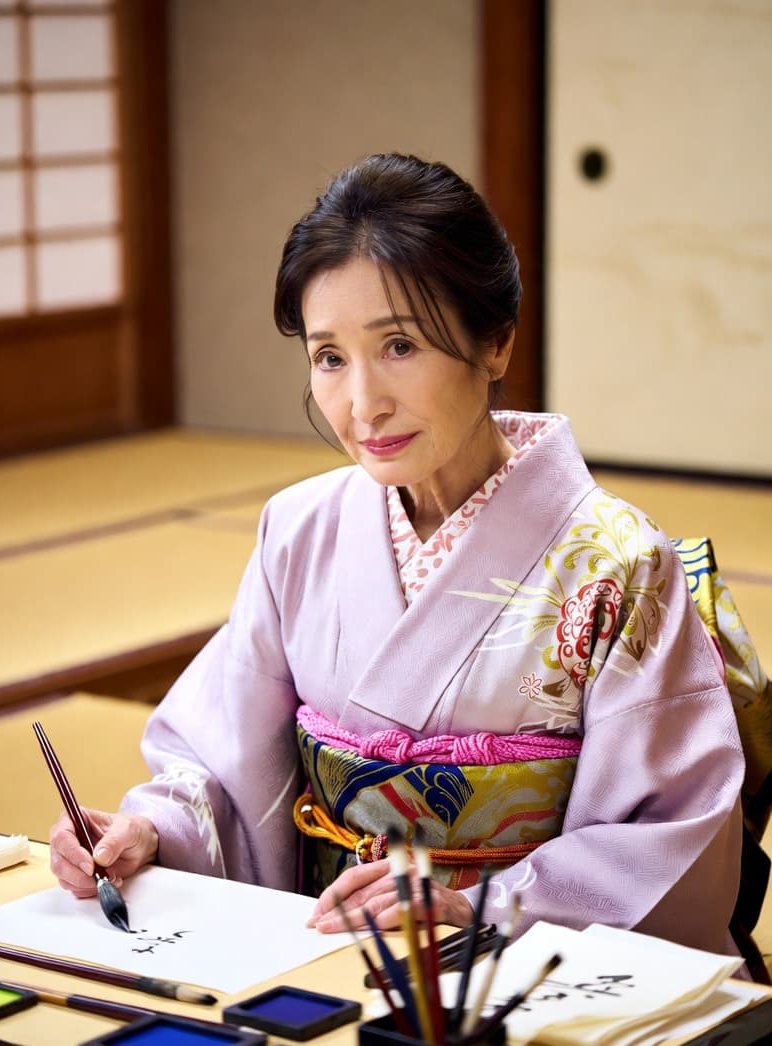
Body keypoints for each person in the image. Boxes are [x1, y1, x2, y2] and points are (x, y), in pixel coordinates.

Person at [49, 152, 744, 957]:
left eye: (401, 346)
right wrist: (148, 829)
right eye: (329, 358)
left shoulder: (618, 565)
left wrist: (476, 903)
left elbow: (666, 836)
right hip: (322, 950)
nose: (362, 403)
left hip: (513, 970)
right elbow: (222, 766)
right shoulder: (297, 529)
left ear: (497, 343)